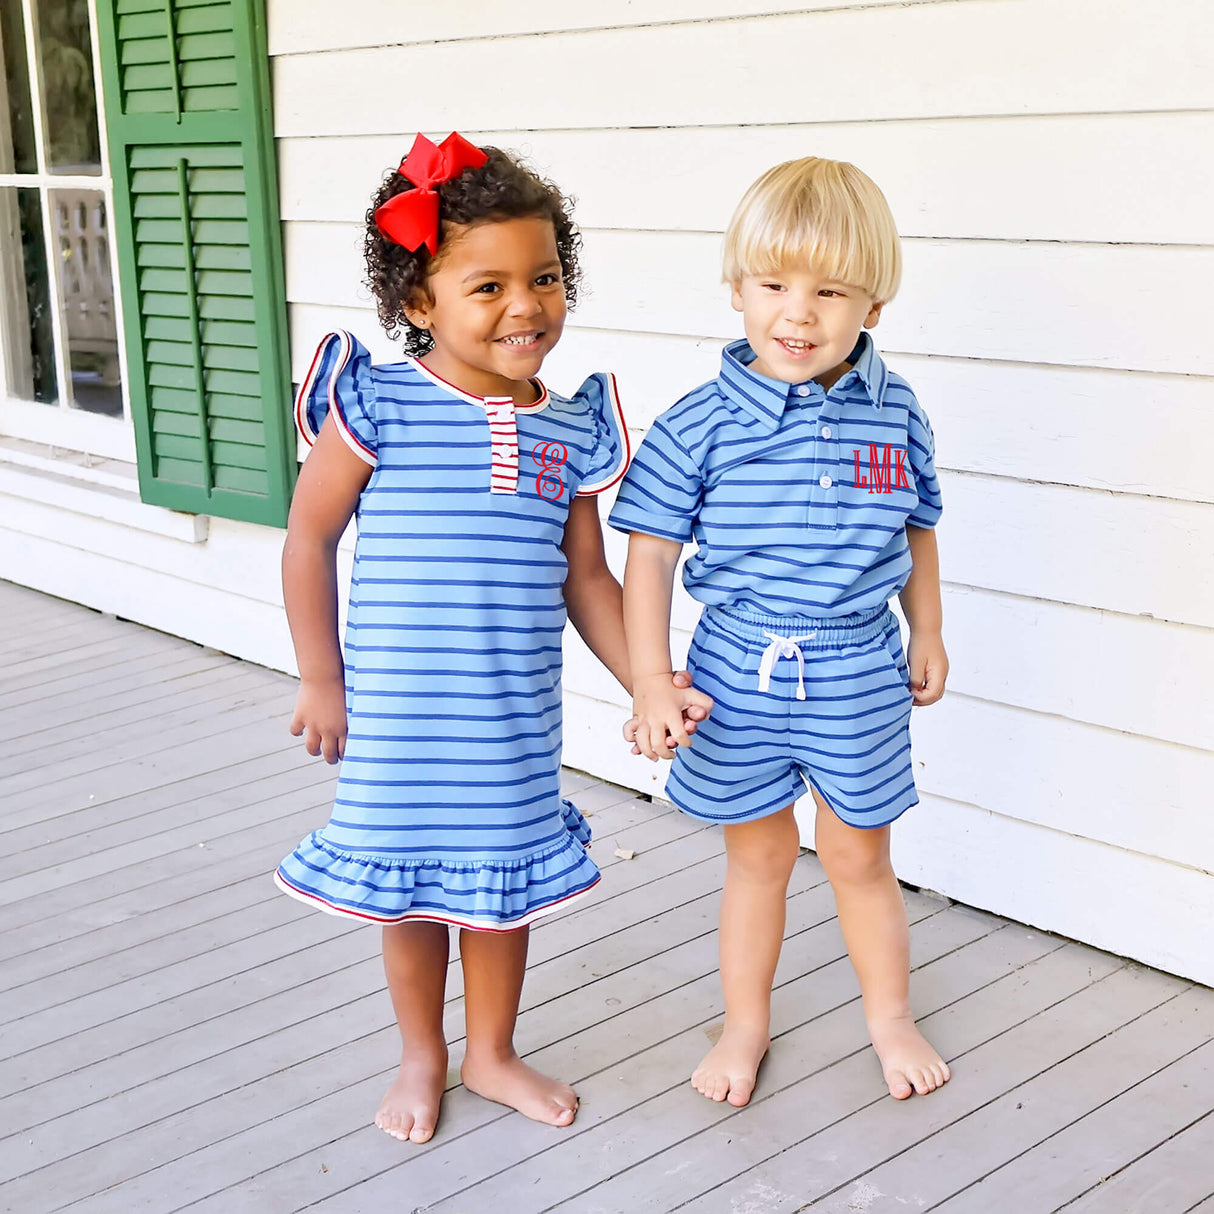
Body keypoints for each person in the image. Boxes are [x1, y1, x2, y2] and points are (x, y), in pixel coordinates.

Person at [275, 133, 712, 1145]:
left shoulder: (565, 430)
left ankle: (493, 1049)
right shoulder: (377, 404)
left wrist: (650, 676)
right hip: (395, 720)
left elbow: (588, 578)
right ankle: (423, 1051)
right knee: (414, 898)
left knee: (498, 892)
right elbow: (308, 536)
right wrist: (319, 674)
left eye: (545, 277)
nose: (527, 305)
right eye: (489, 286)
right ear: (418, 303)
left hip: (507, 720)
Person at [610, 156, 951, 1108]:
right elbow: (650, 555)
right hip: (738, 666)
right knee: (756, 857)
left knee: (859, 856)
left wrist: (928, 626)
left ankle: (889, 1018)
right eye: (775, 286)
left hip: (857, 668)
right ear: (736, 289)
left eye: (830, 291)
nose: (799, 314)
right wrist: (649, 678)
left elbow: (916, 524)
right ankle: (746, 1026)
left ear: (873, 306)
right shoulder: (702, 423)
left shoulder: (896, 410)